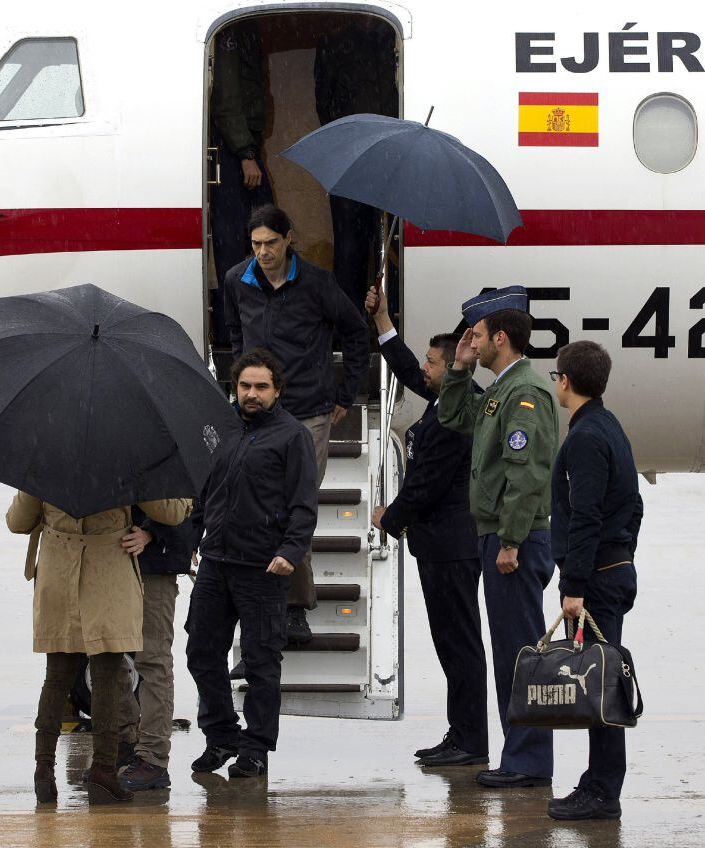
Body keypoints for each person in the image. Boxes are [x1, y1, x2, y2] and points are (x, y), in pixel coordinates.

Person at [224, 204, 368, 641]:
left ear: (289, 240)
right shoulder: (236, 281)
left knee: (292, 506)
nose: (262, 252)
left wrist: (347, 394)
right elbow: (234, 335)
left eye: (270, 243)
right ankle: (279, 609)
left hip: (308, 413)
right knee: (260, 508)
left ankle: (290, 608)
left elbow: (356, 332)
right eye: (255, 244)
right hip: (256, 415)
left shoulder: (318, 285)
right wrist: (240, 387)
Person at [437, 286, 558, 789]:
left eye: (478, 336)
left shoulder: (524, 394)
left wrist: (509, 541)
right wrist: (459, 369)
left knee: (519, 651)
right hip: (499, 538)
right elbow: (454, 416)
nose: (472, 342)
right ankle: (519, 754)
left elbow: (525, 473)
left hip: (515, 541)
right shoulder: (501, 392)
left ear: (501, 338)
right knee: (510, 648)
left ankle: (528, 761)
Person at [364, 290, 488, 767]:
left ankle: (470, 740)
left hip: (451, 546)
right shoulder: (448, 401)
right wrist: (383, 323)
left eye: (433, 363)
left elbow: (427, 485)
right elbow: (407, 372)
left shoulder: (454, 417)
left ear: (454, 365)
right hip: (443, 546)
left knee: (458, 644)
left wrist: (388, 519)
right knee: (453, 643)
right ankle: (463, 732)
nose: (426, 370)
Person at [6, 493, 191, 805]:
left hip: (58, 571)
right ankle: (103, 771)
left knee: (56, 677)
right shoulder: (119, 458)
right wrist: (180, 498)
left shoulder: (44, 458)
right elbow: (170, 513)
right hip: (106, 570)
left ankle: (43, 769)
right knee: (107, 675)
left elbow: (17, 522)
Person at [186, 349, 318, 778]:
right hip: (216, 563)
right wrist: (192, 539)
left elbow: (304, 504)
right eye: (245, 386)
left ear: (276, 390)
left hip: (263, 568)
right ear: (234, 387)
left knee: (262, 663)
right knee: (201, 652)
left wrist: (290, 553)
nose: (252, 394)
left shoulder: (292, 436)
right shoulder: (224, 433)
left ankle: (257, 747)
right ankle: (221, 735)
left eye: (261, 387)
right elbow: (206, 496)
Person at [547, 341, 643, 821]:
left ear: (566, 381)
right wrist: (624, 552)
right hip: (614, 569)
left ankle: (604, 789)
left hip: (596, 581)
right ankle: (598, 780)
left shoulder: (585, 437)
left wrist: (575, 585)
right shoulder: (610, 426)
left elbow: (584, 515)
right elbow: (634, 501)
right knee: (600, 683)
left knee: (600, 687)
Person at [314, 20, 398, 309]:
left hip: (387, 154)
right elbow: (324, 106)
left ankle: (383, 321)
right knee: (351, 247)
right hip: (351, 156)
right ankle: (350, 325)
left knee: (388, 242)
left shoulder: (387, 38)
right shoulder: (336, 42)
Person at [117, 507, 199, 792]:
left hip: (154, 565)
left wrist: (152, 532)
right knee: (112, 659)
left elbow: (187, 506)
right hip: (114, 564)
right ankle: (125, 746)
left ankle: (153, 758)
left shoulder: (172, 464)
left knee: (152, 661)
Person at [210, 19, 274, 345]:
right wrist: (246, 152)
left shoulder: (243, 28)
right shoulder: (231, 31)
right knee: (238, 252)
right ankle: (232, 344)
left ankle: (242, 338)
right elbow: (226, 98)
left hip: (241, 145)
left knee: (251, 246)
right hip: (235, 151)